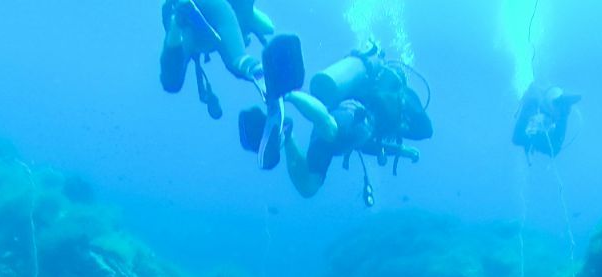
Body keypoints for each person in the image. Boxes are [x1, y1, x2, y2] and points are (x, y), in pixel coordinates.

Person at [238, 40, 433, 204]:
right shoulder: (402, 98)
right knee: (331, 129)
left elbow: (370, 145)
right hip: (351, 115)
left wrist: (402, 151)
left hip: (340, 131)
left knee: (308, 186)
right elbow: (426, 130)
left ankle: (287, 133)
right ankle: (287, 93)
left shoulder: (384, 105)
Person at [159, 0, 275, 121]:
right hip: (208, 14)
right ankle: (268, 78)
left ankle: (177, 22)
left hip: (196, 18)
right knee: (238, 59)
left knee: (172, 80)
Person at [512, 83, 580, 158]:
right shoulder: (533, 106)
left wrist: (563, 116)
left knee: (554, 148)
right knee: (554, 148)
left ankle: (560, 107)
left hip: (546, 108)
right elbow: (517, 138)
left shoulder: (548, 109)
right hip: (535, 122)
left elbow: (555, 148)